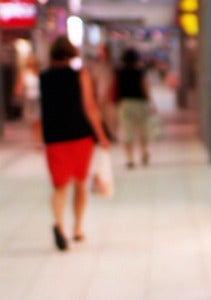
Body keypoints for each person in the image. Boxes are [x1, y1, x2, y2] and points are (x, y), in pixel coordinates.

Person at [39, 36, 110, 251]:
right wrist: (102, 135)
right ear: (72, 54)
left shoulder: (44, 78)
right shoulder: (80, 75)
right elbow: (89, 107)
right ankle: (77, 228)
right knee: (80, 182)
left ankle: (58, 224)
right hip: (79, 135)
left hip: (54, 138)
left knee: (60, 185)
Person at [113, 48, 152, 169]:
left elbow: (114, 87)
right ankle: (144, 152)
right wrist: (150, 102)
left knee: (127, 131)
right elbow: (145, 87)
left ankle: (130, 158)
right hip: (139, 102)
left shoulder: (118, 72)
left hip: (124, 103)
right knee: (142, 130)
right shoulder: (140, 71)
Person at [14, 55, 41, 144]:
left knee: (39, 119)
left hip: (39, 98)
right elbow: (19, 87)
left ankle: (39, 137)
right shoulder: (25, 73)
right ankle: (36, 139)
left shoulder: (39, 72)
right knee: (33, 120)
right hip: (30, 98)